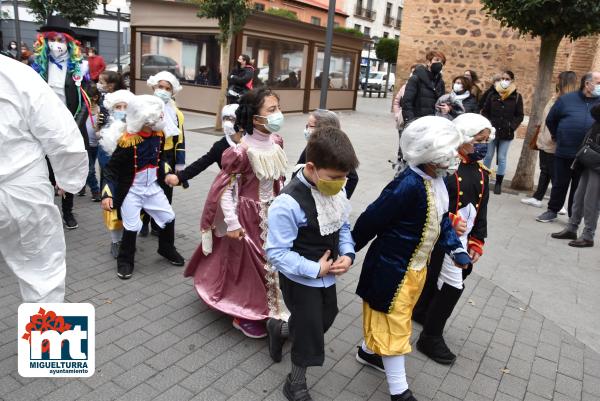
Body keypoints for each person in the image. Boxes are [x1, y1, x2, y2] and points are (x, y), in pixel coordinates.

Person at [352, 116, 471, 401]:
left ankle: (368, 352)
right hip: (391, 270)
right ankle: (399, 391)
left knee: (394, 316)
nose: (456, 157)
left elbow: (440, 221)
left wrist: (456, 248)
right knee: (395, 323)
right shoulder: (407, 185)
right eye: (450, 152)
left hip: (415, 269)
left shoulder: (437, 182)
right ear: (430, 154)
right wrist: (348, 250)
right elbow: (372, 219)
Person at [184, 88, 288, 338]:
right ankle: (244, 313)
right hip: (247, 216)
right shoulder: (239, 152)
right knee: (251, 265)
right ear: (255, 118)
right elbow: (226, 191)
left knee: (275, 261)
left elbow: (279, 178)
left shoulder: (277, 141)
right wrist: (231, 222)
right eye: (271, 110)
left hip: (273, 211)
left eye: (278, 108)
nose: (278, 114)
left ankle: (271, 306)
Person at [265, 126, 359, 401]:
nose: (341, 183)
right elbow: (276, 253)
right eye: (335, 177)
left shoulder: (336, 189)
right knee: (309, 331)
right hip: (300, 278)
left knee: (326, 317)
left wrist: (348, 254)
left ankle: (279, 328)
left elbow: (342, 225)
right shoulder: (287, 203)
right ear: (311, 167)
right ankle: (295, 382)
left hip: (326, 274)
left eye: (345, 177)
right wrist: (314, 269)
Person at [0, 55, 88, 302]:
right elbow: (60, 133)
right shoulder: (16, 74)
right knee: (42, 276)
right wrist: (69, 179)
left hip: (19, 186)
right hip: (21, 189)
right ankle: (46, 340)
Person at [413, 113, 493, 365]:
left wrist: (477, 240)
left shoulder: (481, 172)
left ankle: (423, 311)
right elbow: (429, 202)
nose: (484, 145)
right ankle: (430, 336)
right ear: (463, 138)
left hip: (462, 241)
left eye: (487, 140)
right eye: (479, 139)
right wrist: (448, 219)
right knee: (452, 285)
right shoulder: (446, 168)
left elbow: (482, 210)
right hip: (442, 238)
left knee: (440, 278)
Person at [100, 95, 185, 279]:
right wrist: (107, 194)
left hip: (152, 188)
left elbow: (160, 159)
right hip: (132, 189)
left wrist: (169, 173)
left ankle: (166, 249)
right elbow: (111, 170)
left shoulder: (159, 136)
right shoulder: (127, 142)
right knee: (132, 226)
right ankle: (124, 261)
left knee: (168, 216)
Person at [31, 15, 92, 230]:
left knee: (67, 168)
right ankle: (47, 211)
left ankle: (68, 212)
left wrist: (73, 126)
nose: (57, 44)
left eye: (61, 40)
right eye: (53, 39)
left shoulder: (79, 67)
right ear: (45, 41)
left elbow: (86, 101)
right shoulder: (37, 66)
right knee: (44, 170)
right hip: (43, 127)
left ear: (69, 42)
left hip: (69, 126)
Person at [536, 71, 600, 222]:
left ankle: (574, 216)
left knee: (580, 187)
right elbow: (551, 119)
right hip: (564, 149)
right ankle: (552, 210)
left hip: (588, 154)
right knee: (559, 182)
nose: (599, 86)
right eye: (598, 83)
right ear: (587, 84)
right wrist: (558, 136)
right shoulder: (566, 100)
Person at [522, 71, 578, 209]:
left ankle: (559, 204)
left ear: (564, 82)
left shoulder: (567, 101)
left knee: (555, 174)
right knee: (545, 170)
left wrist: (555, 136)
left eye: (559, 80)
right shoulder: (556, 98)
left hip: (554, 142)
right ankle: (538, 197)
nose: (556, 82)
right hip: (545, 139)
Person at [141, 71, 186, 236]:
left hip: (168, 156)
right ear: (154, 86)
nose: (163, 91)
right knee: (147, 189)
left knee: (165, 192)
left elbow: (180, 140)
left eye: (167, 88)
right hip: (149, 155)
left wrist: (180, 165)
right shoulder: (144, 108)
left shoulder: (177, 114)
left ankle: (157, 225)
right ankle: (144, 222)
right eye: (160, 87)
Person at [551, 103, 600, 247]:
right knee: (579, 197)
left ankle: (588, 236)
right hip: (588, 160)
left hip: (597, 163)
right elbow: (595, 111)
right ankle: (572, 228)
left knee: (592, 201)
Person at [165, 104, 243, 188]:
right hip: (230, 189)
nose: (227, 123)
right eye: (225, 118)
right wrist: (180, 177)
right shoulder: (220, 146)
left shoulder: (250, 142)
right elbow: (202, 163)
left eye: (231, 119)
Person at [97, 89, 135, 258]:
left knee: (131, 211)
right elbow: (105, 164)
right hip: (113, 178)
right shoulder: (107, 132)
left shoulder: (136, 131)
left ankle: (127, 240)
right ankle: (115, 241)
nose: (122, 110)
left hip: (132, 179)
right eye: (118, 107)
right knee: (113, 212)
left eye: (125, 106)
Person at [296, 109, 359, 198]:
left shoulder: (337, 151)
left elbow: (353, 178)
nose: (307, 129)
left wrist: (341, 197)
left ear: (324, 129)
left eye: (310, 126)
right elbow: (299, 169)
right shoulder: (312, 146)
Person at [482, 70, 524, 194]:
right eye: (501, 79)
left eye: (507, 79)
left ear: (512, 80)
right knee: (488, 156)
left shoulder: (516, 97)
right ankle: (484, 180)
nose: (504, 81)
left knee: (502, 157)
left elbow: (519, 115)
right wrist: (488, 125)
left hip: (506, 132)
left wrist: (512, 126)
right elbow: (485, 111)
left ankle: (498, 183)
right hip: (492, 131)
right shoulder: (492, 95)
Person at [401, 50, 446, 124]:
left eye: (442, 62)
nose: (439, 64)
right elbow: (407, 103)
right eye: (437, 60)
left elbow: (441, 102)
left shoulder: (441, 82)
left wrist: (447, 108)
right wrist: (410, 121)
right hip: (417, 122)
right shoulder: (415, 79)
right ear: (428, 62)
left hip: (433, 123)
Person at [392, 64, 419, 162]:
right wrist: (397, 114)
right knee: (402, 140)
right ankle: (400, 159)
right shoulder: (405, 86)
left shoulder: (421, 88)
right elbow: (396, 102)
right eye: (411, 71)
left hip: (415, 120)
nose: (412, 74)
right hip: (402, 119)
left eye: (414, 71)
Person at [81, 85, 102, 202]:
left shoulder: (100, 110)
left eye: (88, 97)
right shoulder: (83, 110)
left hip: (96, 145)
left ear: (95, 98)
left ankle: (81, 186)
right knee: (90, 169)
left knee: (88, 168)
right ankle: (95, 191)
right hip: (86, 144)